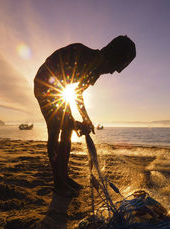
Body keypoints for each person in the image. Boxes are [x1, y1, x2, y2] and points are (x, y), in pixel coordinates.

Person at [34, 35, 136, 196]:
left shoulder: (96, 71)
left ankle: (63, 177)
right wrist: (73, 118)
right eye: (113, 67)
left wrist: (85, 119)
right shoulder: (82, 54)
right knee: (54, 130)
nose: (111, 73)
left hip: (60, 89)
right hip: (44, 81)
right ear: (109, 56)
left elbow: (78, 93)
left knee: (67, 130)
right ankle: (58, 181)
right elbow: (67, 89)